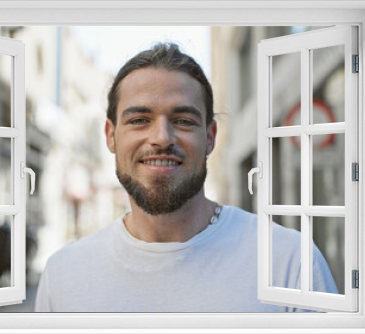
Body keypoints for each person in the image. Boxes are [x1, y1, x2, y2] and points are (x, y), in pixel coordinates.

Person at [34, 43, 337, 312]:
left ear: (210, 137)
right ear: (111, 136)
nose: (162, 138)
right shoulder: (64, 275)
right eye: (140, 120)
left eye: (182, 121)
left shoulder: (289, 262)